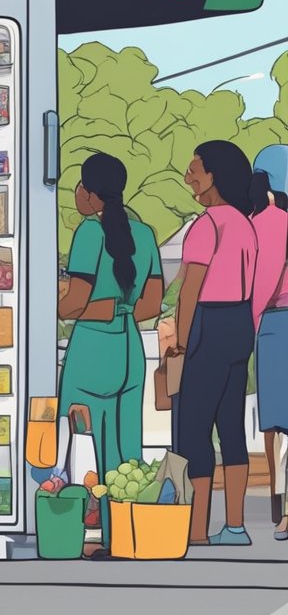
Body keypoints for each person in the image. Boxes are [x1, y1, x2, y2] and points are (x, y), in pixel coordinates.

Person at [57, 153, 164, 559]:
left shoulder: (88, 232)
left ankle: (86, 535)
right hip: (129, 350)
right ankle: (126, 536)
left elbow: (74, 303)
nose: (76, 192)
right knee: (124, 449)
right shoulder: (145, 232)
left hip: (92, 349)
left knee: (81, 444)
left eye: (80, 185)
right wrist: (121, 310)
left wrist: (49, 304)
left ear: (89, 194)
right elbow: (152, 302)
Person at [168, 140, 257, 546]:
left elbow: (190, 291)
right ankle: (235, 526)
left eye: (194, 170)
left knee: (192, 430)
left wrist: (181, 343)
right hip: (239, 325)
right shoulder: (245, 224)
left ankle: (197, 530)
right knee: (231, 429)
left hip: (207, 323)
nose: (188, 178)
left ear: (213, 176)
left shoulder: (205, 225)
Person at [249, 145, 288, 540]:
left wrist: (248, 323)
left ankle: (283, 509)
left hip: (279, 323)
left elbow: (263, 282)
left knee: (277, 423)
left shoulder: (271, 220)